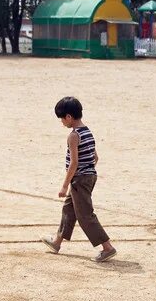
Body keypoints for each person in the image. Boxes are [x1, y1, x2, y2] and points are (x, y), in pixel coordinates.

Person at [41, 96, 117, 262]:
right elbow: (95, 157)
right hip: (88, 176)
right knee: (69, 210)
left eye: (62, 118)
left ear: (68, 116)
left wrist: (65, 185)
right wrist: (87, 172)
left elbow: (74, 163)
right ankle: (57, 242)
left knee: (85, 215)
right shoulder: (87, 131)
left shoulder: (73, 136)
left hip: (79, 180)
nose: (62, 122)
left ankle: (107, 247)